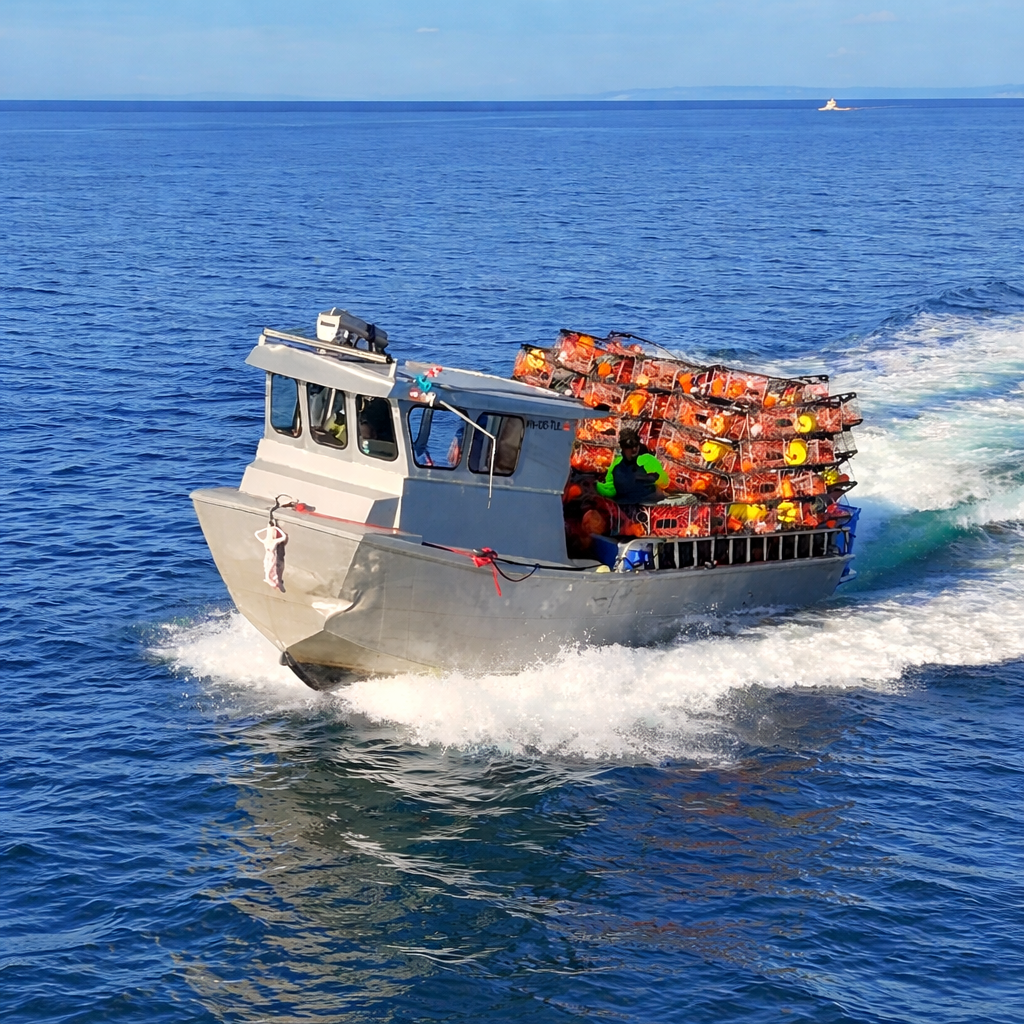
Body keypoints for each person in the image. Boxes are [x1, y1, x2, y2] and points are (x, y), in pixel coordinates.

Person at [596, 429, 668, 503]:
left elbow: (608, 480)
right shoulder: (649, 459)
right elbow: (665, 483)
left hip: (612, 496)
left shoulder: (618, 460)